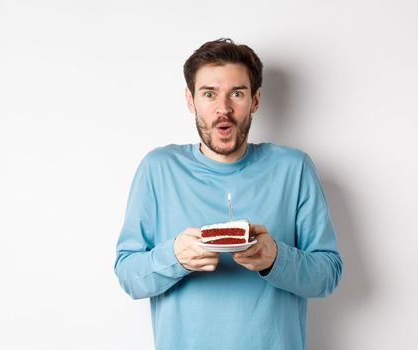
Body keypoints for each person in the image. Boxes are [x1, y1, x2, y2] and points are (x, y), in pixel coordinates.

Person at [113, 38, 343, 350]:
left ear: (256, 99)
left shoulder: (294, 169)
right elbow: (128, 275)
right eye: (209, 94)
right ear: (191, 100)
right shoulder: (158, 169)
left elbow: (328, 275)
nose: (223, 108)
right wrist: (174, 257)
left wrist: (275, 258)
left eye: (237, 93)